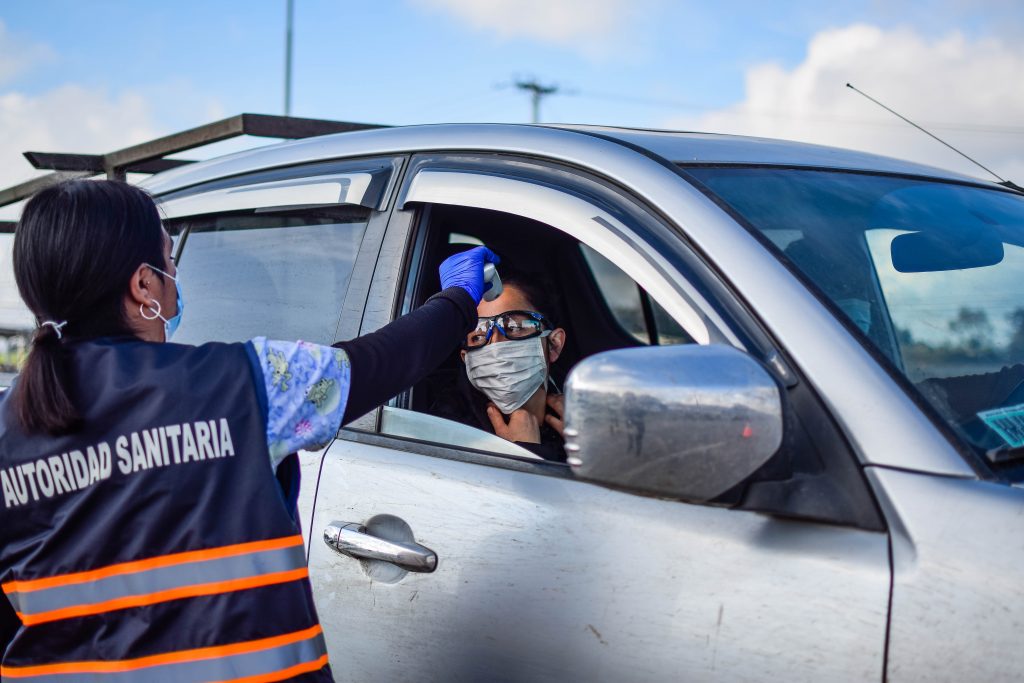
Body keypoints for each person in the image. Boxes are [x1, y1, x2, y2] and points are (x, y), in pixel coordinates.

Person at [0, 180, 497, 681]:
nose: (174, 274)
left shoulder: (5, 428)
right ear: (143, 287)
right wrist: (458, 299)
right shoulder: (247, 383)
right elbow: (380, 363)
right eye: (168, 260)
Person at [431, 270, 569, 462]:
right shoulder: (447, 430)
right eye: (478, 336)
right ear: (466, 358)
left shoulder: (580, 414)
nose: (495, 345)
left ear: (554, 345)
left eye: (514, 327)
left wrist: (591, 452)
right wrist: (525, 452)